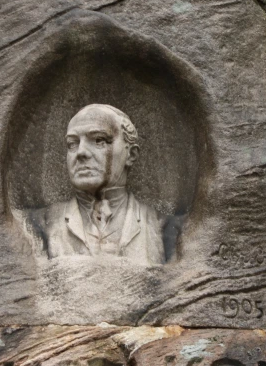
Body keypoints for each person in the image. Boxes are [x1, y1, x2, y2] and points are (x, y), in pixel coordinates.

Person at [31, 104, 167, 264]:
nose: (81, 152)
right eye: (72, 143)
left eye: (99, 140)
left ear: (131, 154)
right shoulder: (38, 225)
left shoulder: (163, 228)